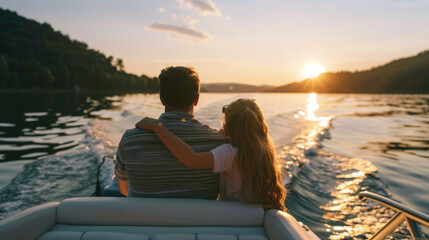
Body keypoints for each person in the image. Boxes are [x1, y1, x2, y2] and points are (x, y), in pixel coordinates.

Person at [136, 98, 286, 210]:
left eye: (224, 125)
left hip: (233, 216)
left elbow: (191, 160)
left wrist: (158, 127)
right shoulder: (265, 151)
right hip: (257, 214)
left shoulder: (228, 153)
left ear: (230, 128)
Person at [114, 66, 225, 199]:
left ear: (161, 98)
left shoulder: (130, 140)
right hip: (198, 220)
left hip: (145, 218)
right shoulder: (219, 143)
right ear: (196, 99)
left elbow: (124, 189)